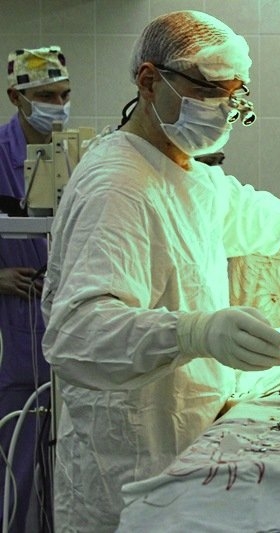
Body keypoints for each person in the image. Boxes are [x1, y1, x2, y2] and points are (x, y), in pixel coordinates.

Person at [40, 11, 280, 532]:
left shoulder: (183, 172)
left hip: (189, 455)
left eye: (233, 96)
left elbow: (258, 216)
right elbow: (77, 335)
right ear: (150, 81)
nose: (223, 109)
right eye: (209, 91)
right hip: (130, 473)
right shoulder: (117, 186)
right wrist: (194, 332)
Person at [0, 45, 70, 532]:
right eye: (46, 96)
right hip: (16, 333)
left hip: (63, 327)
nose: (58, 105)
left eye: (64, 94)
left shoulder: (76, 154)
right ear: (16, 97)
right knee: (16, 465)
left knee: (64, 470)